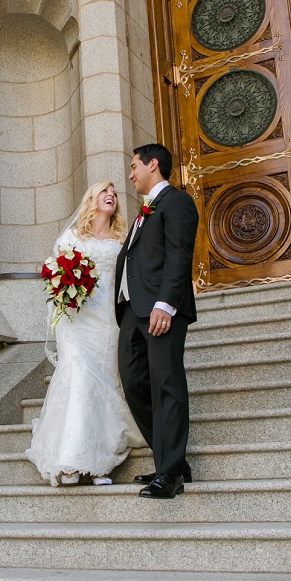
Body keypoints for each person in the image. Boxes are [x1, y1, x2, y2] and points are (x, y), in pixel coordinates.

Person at [25, 182, 145, 487]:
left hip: (106, 318)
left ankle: (99, 462)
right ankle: (70, 460)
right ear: (91, 199)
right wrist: (66, 290)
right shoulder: (72, 236)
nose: (111, 196)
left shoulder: (121, 239)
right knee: (79, 376)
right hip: (76, 319)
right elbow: (54, 271)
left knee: (102, 382)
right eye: (105, 191)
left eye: (115, 194)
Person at [114, 144, 199, 499]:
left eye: (134, 166)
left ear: (153, 165)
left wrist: (166, 303)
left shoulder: (176, 202)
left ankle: (170, 473)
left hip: (161, 308)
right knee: (134, 382)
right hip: (133, 311)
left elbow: (179, 254)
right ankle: (171, 460)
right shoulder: (142, 212)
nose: (130, 174)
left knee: (166, 384)